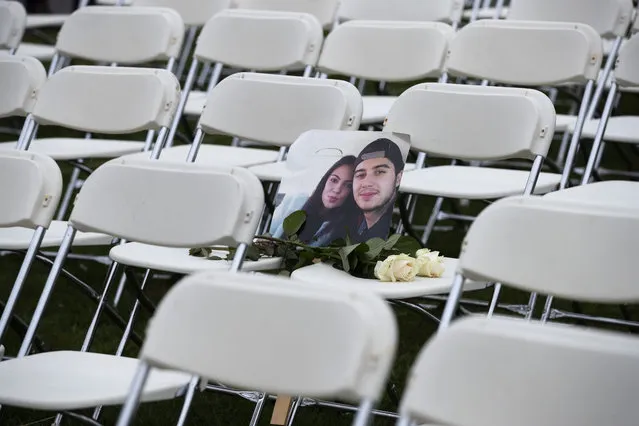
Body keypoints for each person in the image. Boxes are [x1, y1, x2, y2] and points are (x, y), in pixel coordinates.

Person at [270, 155, 358, 246]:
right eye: (334, 180)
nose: (337, 189)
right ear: (325, 180)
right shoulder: (296, 201)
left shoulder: (344, 228)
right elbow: (268, 234)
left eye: (348, 186)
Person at [351, 138, 405, 243]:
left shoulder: (396, 234)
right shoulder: (346, 227)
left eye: (379, 172)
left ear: (398, 178)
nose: (367, 183)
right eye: (360, 174)